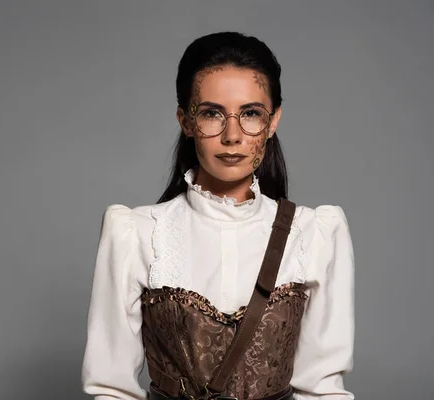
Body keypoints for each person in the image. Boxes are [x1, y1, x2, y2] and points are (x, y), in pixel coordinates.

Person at [81, 31, 355, 400]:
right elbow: (111, 389)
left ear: (273, 121)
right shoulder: (136, 233)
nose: (232, 136)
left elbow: (322, 391)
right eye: (212, 113)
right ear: (186, 120)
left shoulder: (315, 234)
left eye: (251, 114)